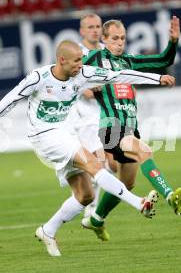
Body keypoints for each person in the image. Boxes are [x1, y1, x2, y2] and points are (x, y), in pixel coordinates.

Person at [0, 40, 176, 257]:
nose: (81, 65)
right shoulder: (38, 79)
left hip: (65, 132)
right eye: (76, 61)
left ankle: (47, 231)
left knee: (85, 195)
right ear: (61, 60)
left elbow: (118, 75)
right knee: (93, 164)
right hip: (43, 136)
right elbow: (8, 100)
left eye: (81, 60)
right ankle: (139, 203)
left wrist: (157, 78)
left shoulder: (82, 74)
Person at [81, 17, 181, 241]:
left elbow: (163, 60)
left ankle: (96, 219)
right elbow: (73, 71)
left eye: (123, 38)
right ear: (104, 40)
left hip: (130, 128)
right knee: (145, 151)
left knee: (127, 183)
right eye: (115, 39)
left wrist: (173, 41)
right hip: (111, 128)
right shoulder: (94, 58)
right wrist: (87, 83)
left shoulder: (129, 61)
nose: (120, 43)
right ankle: (169, 196)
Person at [74, 13, 118, 219]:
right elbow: (74, 83)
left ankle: (88, 193)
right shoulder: (76, 53)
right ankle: (91, 209)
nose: (95, 30)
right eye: (90, 27)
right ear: (82, 31)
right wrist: (91, 90)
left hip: (107, 112)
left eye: (98, 26)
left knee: (115, 165)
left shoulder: (106, 51)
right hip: (86, 117)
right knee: (99, 162)